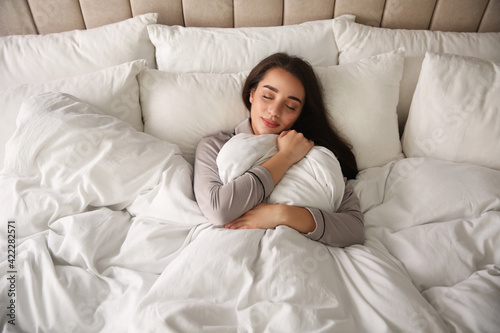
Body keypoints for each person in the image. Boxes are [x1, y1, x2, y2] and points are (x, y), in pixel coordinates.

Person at [193, 53, 364, 247]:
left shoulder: (314, 155)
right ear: (251, 94)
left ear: (300, 113)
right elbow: (219, 209)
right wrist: (285, 157)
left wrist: (282, 214)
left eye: (290, 106)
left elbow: (354, 230)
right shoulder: (215, 146)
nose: (274, 111)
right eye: (267, 96)